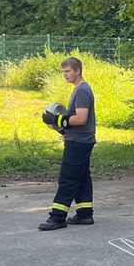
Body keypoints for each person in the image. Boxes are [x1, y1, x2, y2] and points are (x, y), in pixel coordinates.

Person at [38, 56, 96, 230]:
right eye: (63, 71)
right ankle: (85, 214)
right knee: (82, 177)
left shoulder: (82, 91)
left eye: (68, 71)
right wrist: (61, 127)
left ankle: (57, 217)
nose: (65, 75)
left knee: (68, 178)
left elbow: (80, 119)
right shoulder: (79, 89)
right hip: (80, 140)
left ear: (78, 71)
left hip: (79, 142)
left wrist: (56, 119)